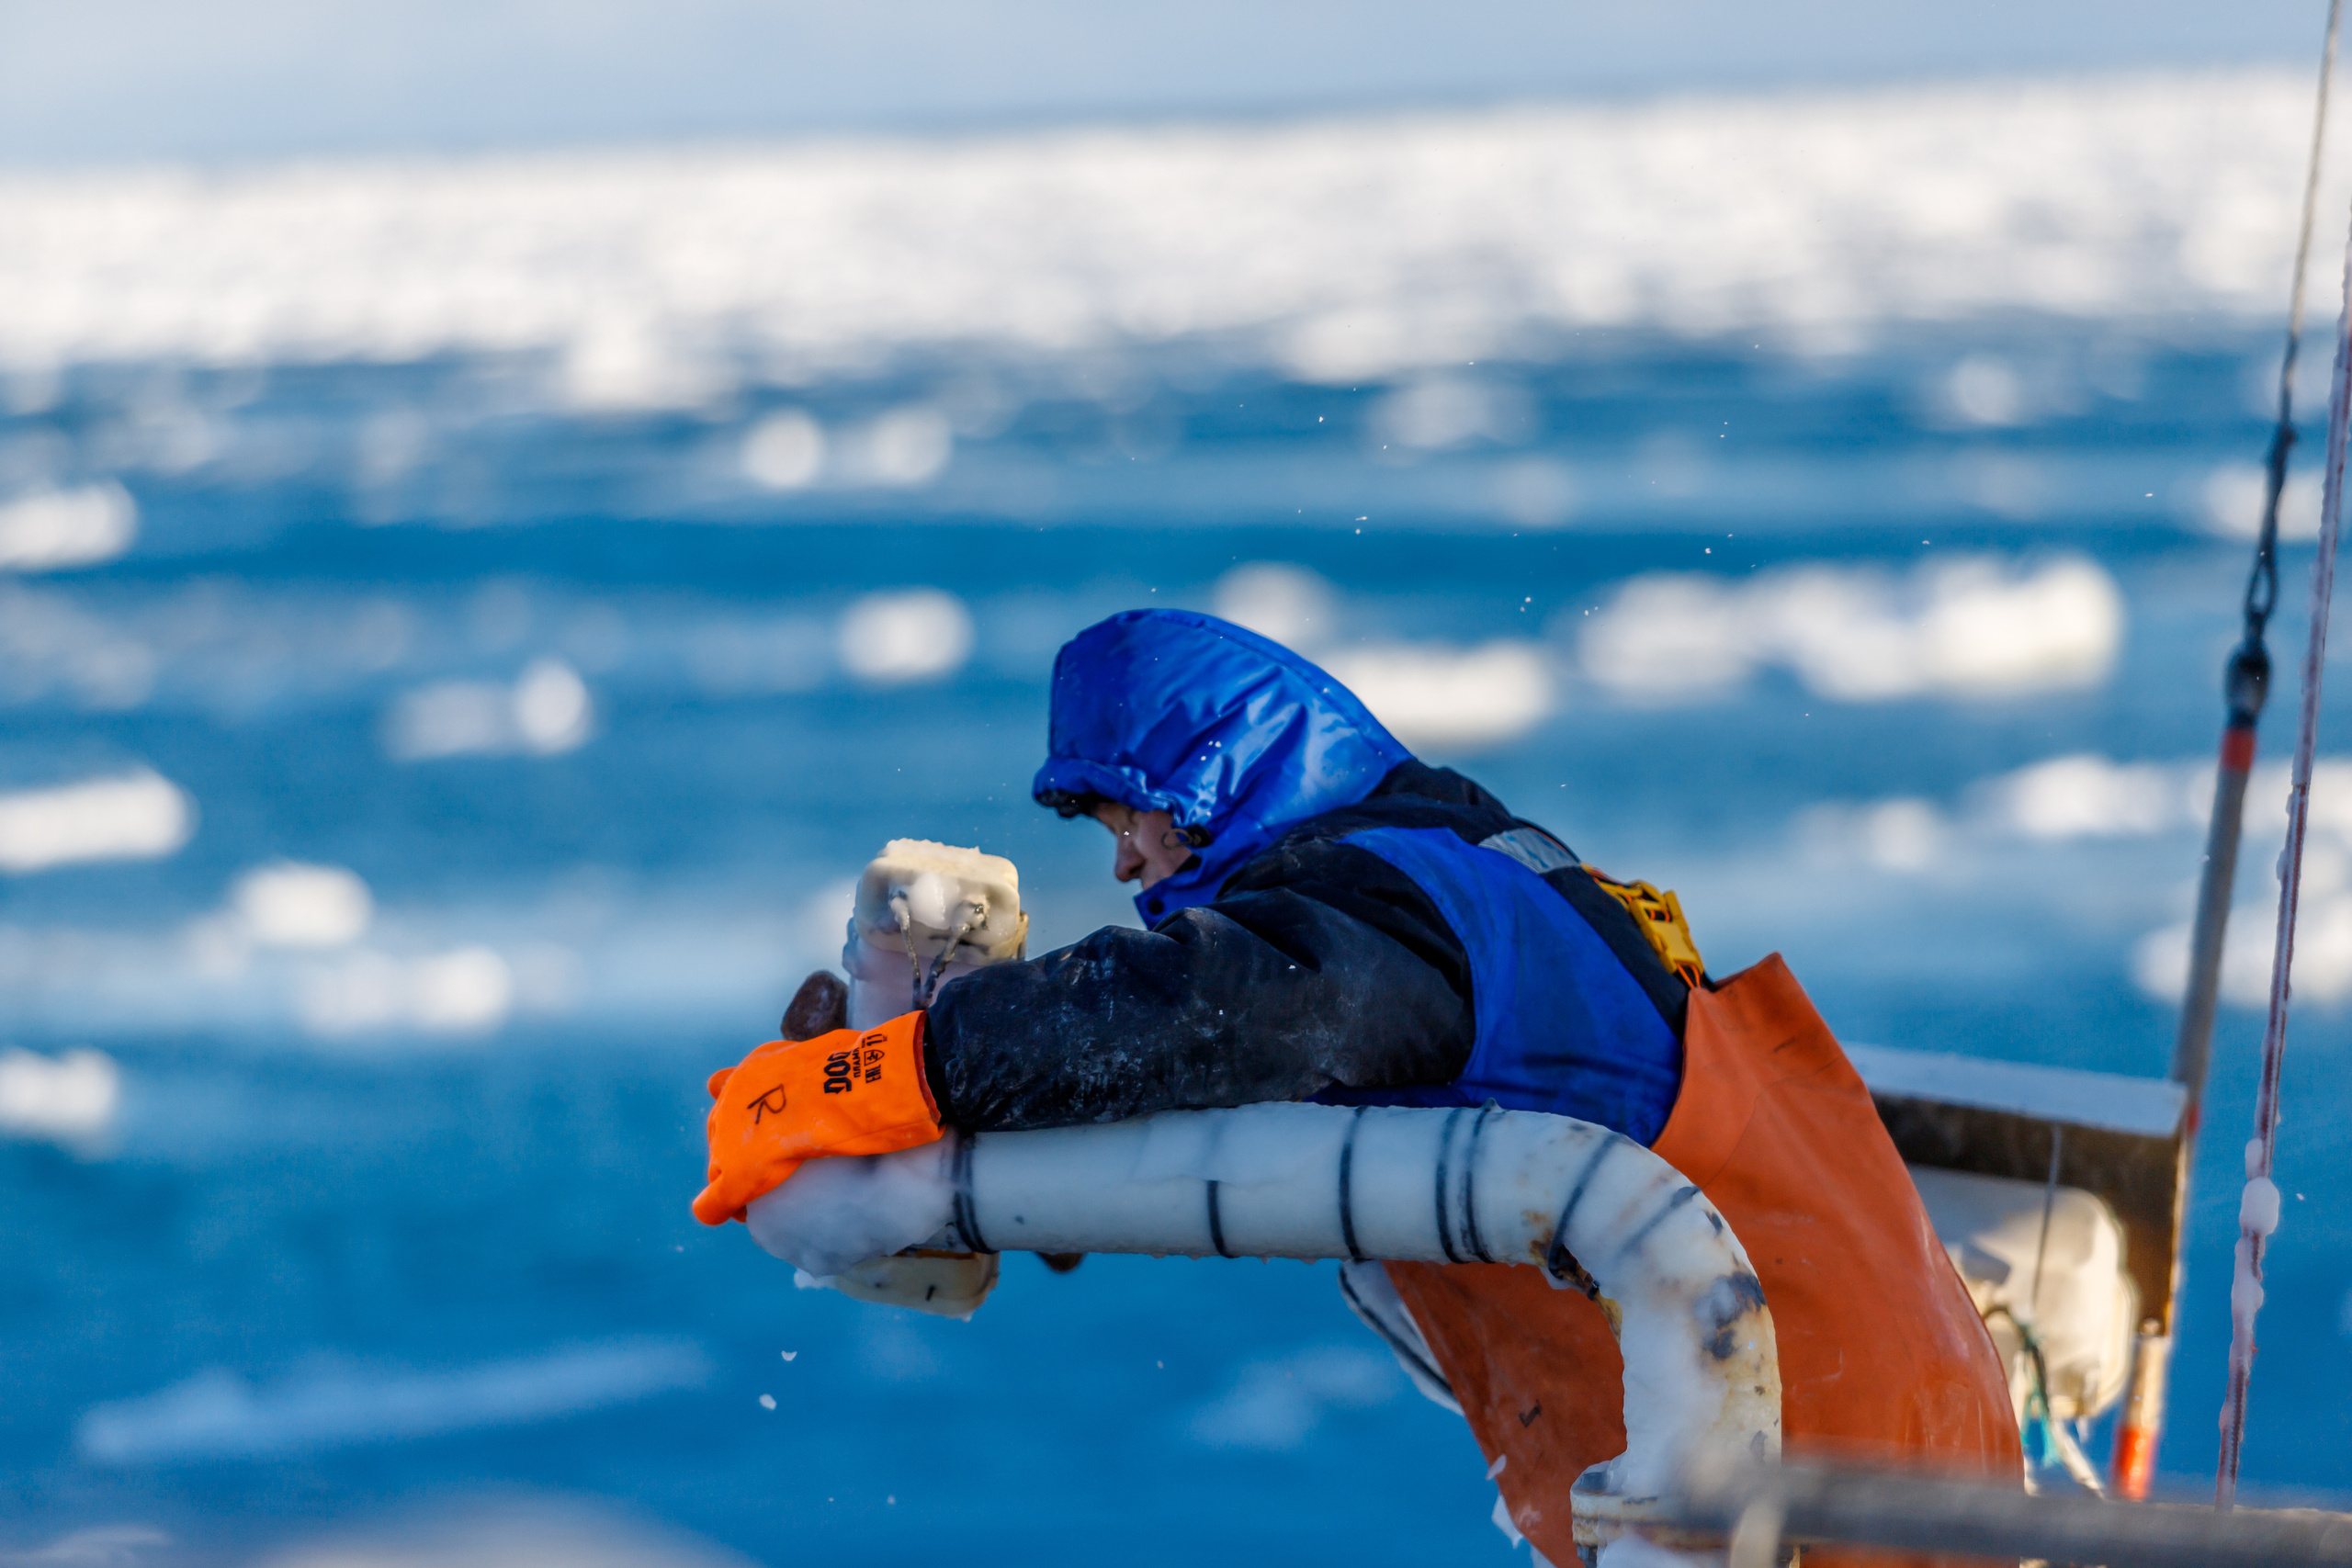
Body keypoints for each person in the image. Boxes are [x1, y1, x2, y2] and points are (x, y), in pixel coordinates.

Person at [695, 608, 2020, 1563]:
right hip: (1871, 1425)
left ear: (1212, 780)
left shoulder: (1391, 901)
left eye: (1130, 824)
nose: (1125, 868)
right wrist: (1024, 1164)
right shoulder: (1456, 875)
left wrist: (896, 1072)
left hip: (1809, 1463)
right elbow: (1271, 1069)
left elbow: (1223, 1010)